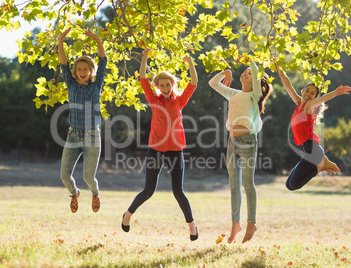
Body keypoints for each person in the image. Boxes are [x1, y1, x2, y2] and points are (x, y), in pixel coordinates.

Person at [121, 49, 199, 241]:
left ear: (173, 85)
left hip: (176, 150)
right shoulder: (153, 100)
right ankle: (128, 215)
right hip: (155, 149)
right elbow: (143, 79)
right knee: (148, 190)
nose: (165, 87)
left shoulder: (179, 101)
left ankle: (192, 226)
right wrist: (145, 56)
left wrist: (189, 62)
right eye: (161, 85)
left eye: (168, 84)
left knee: (178, 191)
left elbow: (194, 83)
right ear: (157, 86)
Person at [209, 61, 273, 244]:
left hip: (247, 142)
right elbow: (213, 84)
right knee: (233, 186)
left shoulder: (255, 95)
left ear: (256, 82)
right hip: (232, 142)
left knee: (247, 183)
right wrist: (225, 72)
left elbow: (255, 70)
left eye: (249, 73)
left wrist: (250, 61)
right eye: (244, 72)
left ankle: (251, 223)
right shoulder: (234, 93)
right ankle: (235, 224)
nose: (245, 74)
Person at [276, 65, 351, 191]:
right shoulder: (299, 103)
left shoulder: (309, 106)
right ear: (302, 91)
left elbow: (323, 98)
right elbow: (288, 85)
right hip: (307, 151)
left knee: (293, 185)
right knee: (289, 184)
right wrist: (279, 68)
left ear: (314, 98)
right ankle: (322, 163)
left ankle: (320, 167)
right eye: (307, 91)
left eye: (312, 93)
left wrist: (335, 93)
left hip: (312, 151)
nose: (309, 94)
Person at [58, 28, 107, 213]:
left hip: (92, 136)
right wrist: (61, 40)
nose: (81, 71)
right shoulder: (70, 83)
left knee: (88, 178)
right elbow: (63, 63)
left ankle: (95, 193)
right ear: (75, 72)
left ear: (90, 71)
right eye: (79, 69)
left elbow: (103, 60)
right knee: (64, 176)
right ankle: (74, 193)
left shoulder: (97, 84)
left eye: (85, 69)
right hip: (73, 136)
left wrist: (97, 39)